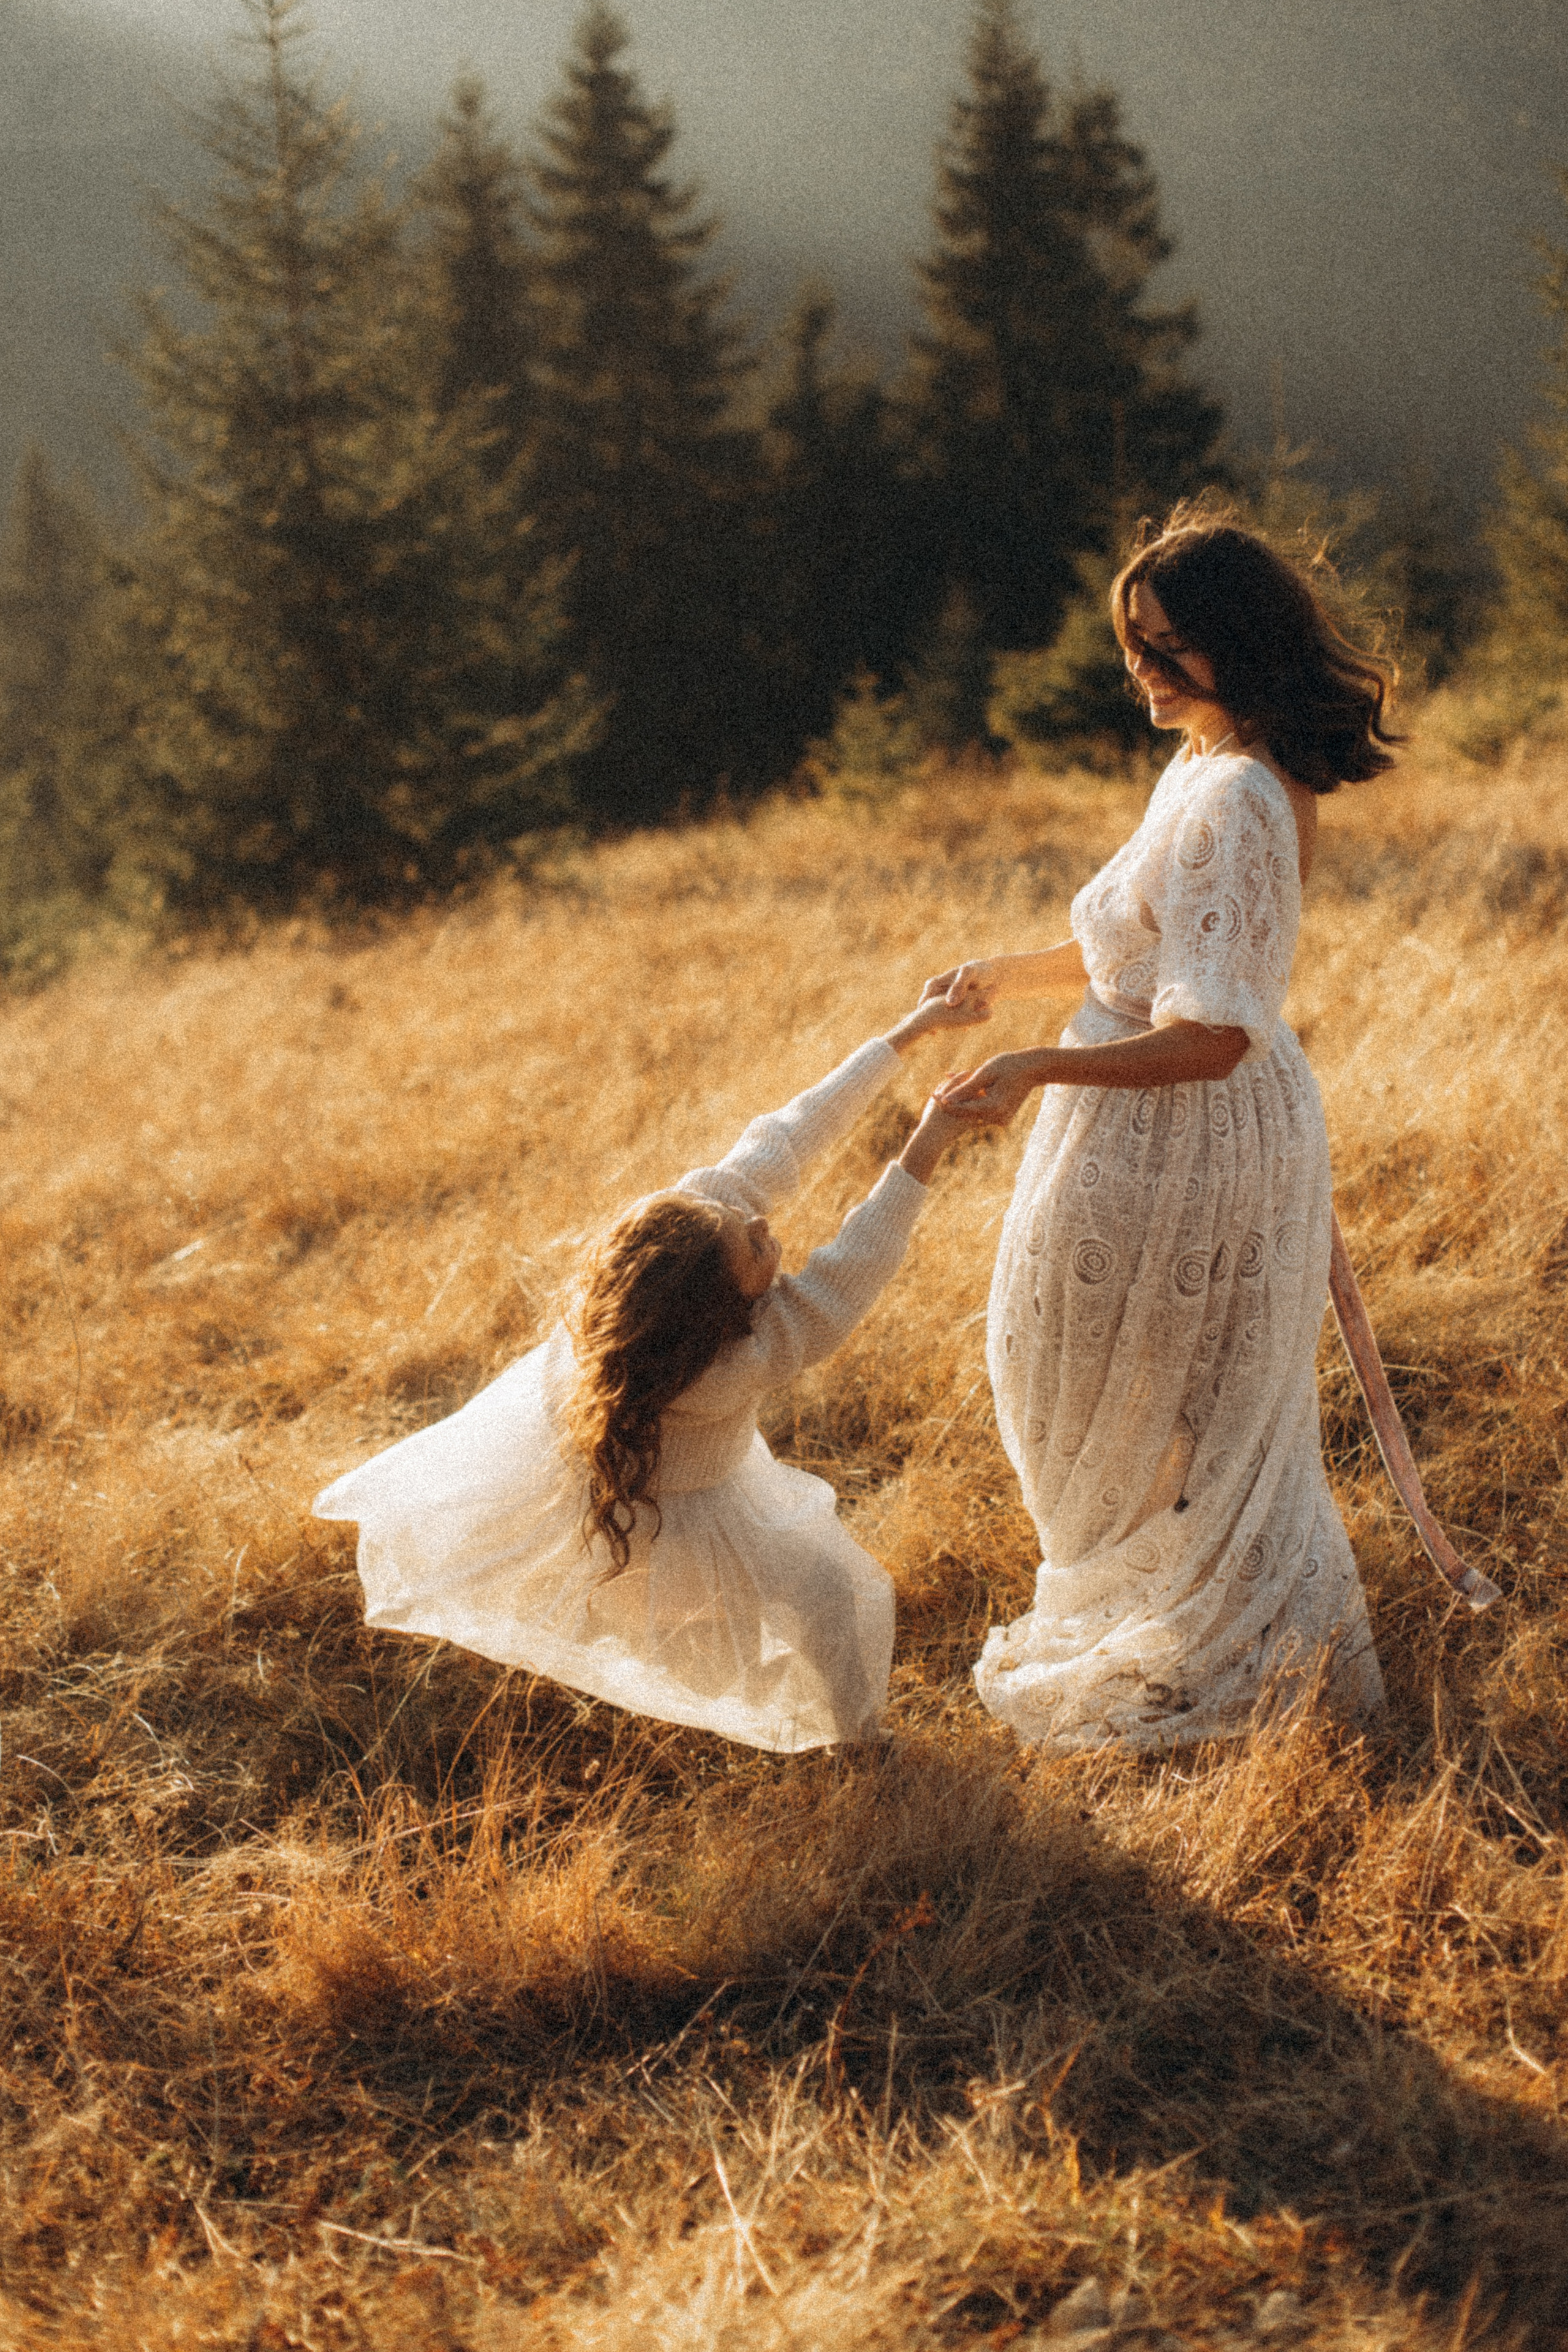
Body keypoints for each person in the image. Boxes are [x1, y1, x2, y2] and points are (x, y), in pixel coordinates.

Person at [929, 502, 1396, 1752]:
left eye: (1163, 647)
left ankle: (1231, 1664)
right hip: (1132, 1123)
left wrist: (1035, 1067)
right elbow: (1121, 954)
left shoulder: (1241, 792)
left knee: (1162, 1398)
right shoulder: (1197, 762)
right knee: (1091, 1385)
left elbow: (1216, 1032)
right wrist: (993, 981)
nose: (1137, 670)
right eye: (1129, 645)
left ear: (1233, 645)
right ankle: (1176, 1629)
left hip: (1196, 1131)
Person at [313, 994, 981, 1754]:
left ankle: (773, 1696)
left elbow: (785, 1143)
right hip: (667, 1519)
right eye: (756, 1250)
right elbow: (849, 1272)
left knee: (712, 1627)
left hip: (628, 1481)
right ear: (719, 1315)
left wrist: (905, 1035)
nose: (765, 1229)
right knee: (822, 1593)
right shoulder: (728, 1366)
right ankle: (860, 1743)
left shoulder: (672, 1248)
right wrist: (927, 1144)